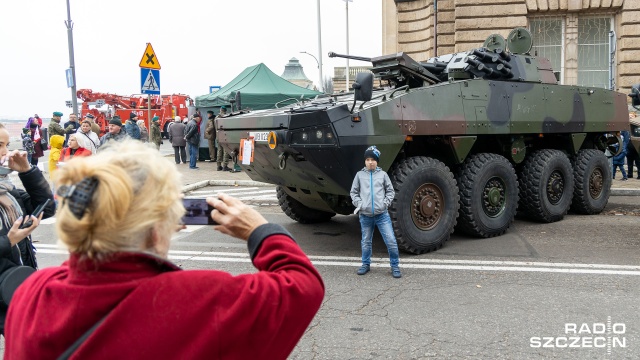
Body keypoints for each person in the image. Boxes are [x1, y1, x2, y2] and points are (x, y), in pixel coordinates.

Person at [3, 140, 324, 358]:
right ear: (157, 225)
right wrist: (259, 230)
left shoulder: (31, 295)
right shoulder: (202, 301)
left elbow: (85, 270)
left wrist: (149, 225)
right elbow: (303, 285)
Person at [0, 123, 55, 335]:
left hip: (13, 284)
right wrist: (9, 241)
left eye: (5, 144)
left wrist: (27, 171)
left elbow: (47, 208)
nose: (5, 151)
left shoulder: (7, 190)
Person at [350, 146, 401, 278]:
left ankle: (395, 266)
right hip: (365, 216)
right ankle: (365, 264)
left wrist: (385, 203)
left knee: (390, 240)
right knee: (366, 241)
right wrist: (360, 204)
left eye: (373, 159)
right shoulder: (359, 175)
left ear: (377, 161)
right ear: (365, 161)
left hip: (382, 215)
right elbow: (353, 192)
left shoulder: (383, 175)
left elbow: (390, 191)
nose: (370, 162)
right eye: (367, 159)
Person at [216, 107, 231, 171]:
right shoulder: (226, 117)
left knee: (219, 151)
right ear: (225, 110)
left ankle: (219, 166)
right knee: (226, 151)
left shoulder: (216, 117)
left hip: (218, 136)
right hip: (225, 136)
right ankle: (225, 166)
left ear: (220, 110)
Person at [627, 111, 640, 179]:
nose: (630, 117)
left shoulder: (636, 126)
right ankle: (629, 174)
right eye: (629, 116)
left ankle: (639, 174)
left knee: (638, 162)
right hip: (629, 147)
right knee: (629, 162)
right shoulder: (626, 126)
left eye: (631, 116)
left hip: (636, 146)